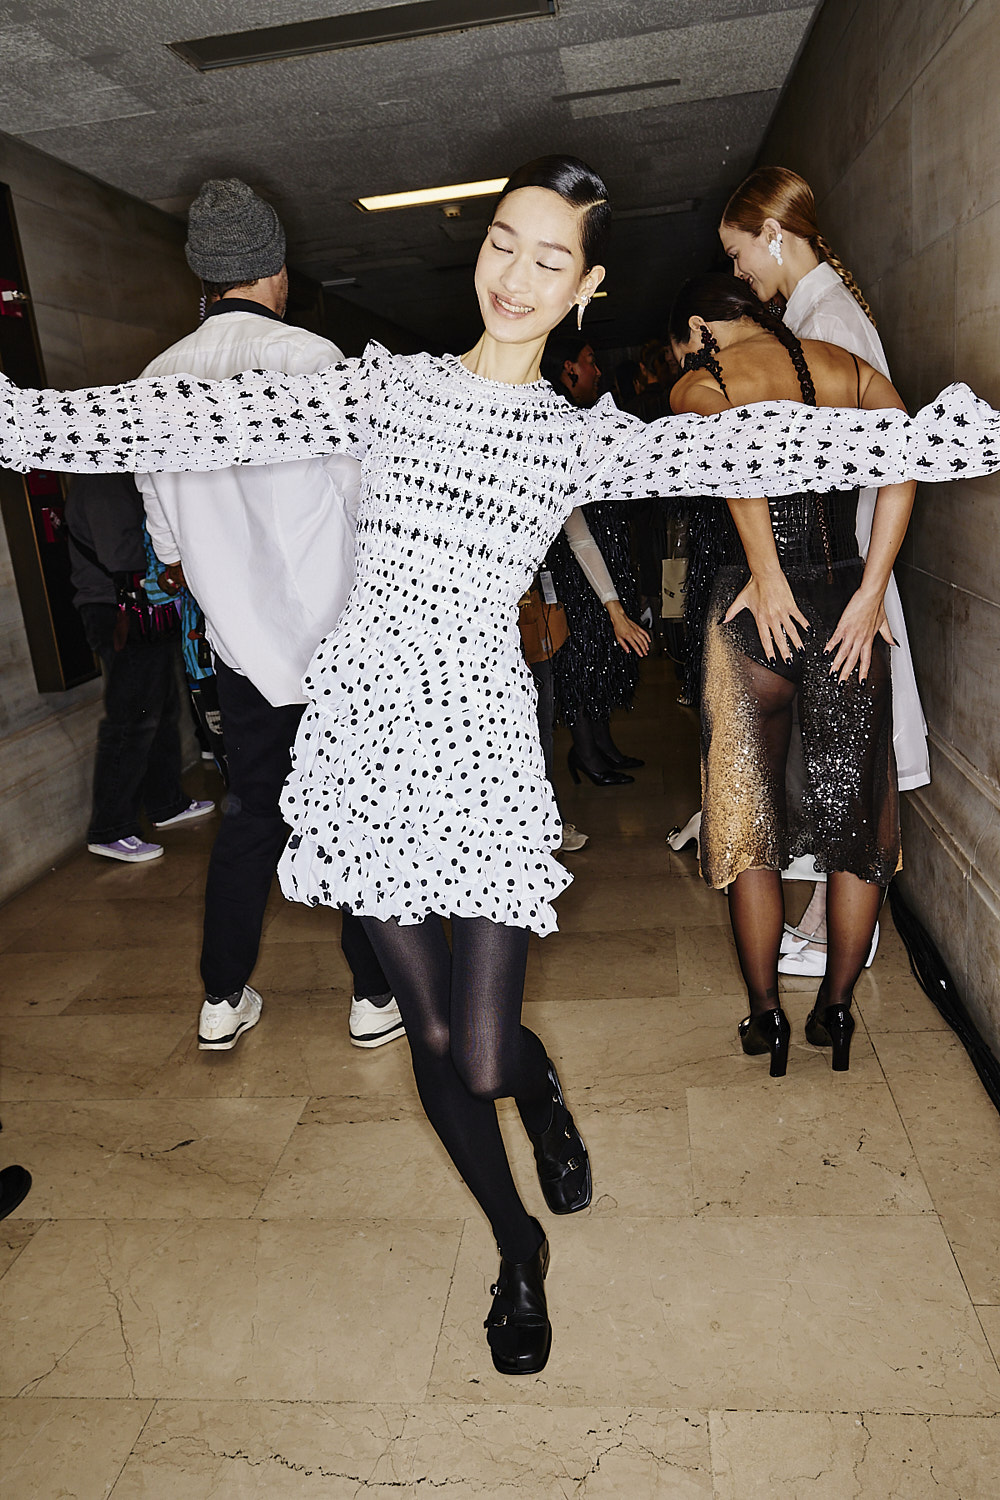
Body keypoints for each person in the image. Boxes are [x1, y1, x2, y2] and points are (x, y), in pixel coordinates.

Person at [2, 158, 996, 1377]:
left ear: (587, 286)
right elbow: (175, 420)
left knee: (484, 1052)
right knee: (429, 1037)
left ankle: (544, 1095)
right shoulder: (380, 391)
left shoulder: (575, 441)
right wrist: (19, 420)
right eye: (502, 245)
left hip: (475, 747)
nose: (516, 275)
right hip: (364, 739)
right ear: (479, 251)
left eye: (547, 259)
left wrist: (937, 436)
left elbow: (755, 440)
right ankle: (516, 1246)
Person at [136, 178, 401, 1054]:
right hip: (338, 650)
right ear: (276, 272)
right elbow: (367, 511)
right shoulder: (311, 361)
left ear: (203, 280)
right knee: (358, 815)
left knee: (252, 818)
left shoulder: (153, 385)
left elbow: (167, 546)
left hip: (244, 658)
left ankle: (222, 998)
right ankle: (371, 998)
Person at [669, 272, 918, 1078]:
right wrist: (872, 587)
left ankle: (767, 1019)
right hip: (850, 605)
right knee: (859, 820)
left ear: (703, 324)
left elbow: (734, 454)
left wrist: (766, 572)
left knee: (748, 826)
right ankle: (836, 1012)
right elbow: (903, 458)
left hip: (752, 616)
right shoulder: (842, 366)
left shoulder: (700, 383)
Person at [719, 165, 930, 977]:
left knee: (849, 764)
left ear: (773, 234)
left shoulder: (827, 321)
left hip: (849, 568)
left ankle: (845, 929)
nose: (741, 274)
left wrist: (863, 588)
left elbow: (882, 466)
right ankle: (826, 919)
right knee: (840, 757)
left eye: (741, 254)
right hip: (849, 567)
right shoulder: (815, 312)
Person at [66, 473, 213, 863]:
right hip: (118, 611)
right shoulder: (102, 482)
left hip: (140, 609)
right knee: (132, 719)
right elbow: (121, 555)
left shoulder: (118, 478)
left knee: (160, 709)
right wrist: (171, 568)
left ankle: (166, 802)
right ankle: (111, 828)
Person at [541, 334, 651, 786]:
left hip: (602, 550)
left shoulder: (588, 419)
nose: (598, 371)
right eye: (590, 361)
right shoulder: (555, 422)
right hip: (574, 565)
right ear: (569, 368)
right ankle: (586, 753)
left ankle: (600, 745)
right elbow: (575, 527)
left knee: (604, 654)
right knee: (583, 657)